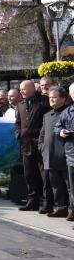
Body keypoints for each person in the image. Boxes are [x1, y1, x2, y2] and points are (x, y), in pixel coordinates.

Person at [15, 80, 51, 211]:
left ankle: (48, 202)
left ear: (32, 88)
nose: (21, 91)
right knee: (29, 175)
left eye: (24, 88)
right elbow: (18, 123)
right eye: (20, 89)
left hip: (40, 144)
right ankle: (32, 201)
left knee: (44, 175)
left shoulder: (44, 102)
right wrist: (18, 134)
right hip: (26, 145)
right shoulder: (21, 104)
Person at [39, 86, 70, 217]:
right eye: (50, 97)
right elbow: (42, 134)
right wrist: (41, 147)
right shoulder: (47, 115)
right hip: (49, 156)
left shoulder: (68, 114)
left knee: (69, 185)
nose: (51, 100)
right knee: (55, 185)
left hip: (65, 156)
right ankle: (61, 208)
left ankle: (72, 210)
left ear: (63, 98)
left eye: (54, 97)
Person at [52, 82, 74, 223]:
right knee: (73, 188)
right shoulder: (68, 111)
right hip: (72, 156)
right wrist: (61, 131)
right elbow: (57, 127)